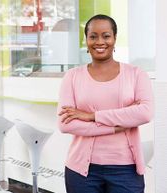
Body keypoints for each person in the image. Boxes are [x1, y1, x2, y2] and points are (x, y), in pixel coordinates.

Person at [57, 14, 153, 193]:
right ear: (86, 40)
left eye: (106, 36)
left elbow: (145, 113)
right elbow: (65, 124)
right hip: (81, 171)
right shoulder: (72, 76)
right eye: (93, 36)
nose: (99, 41)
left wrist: (92, 116)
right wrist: (115, 126)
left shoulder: (136, 74)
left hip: (126, 169)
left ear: (115, 38)